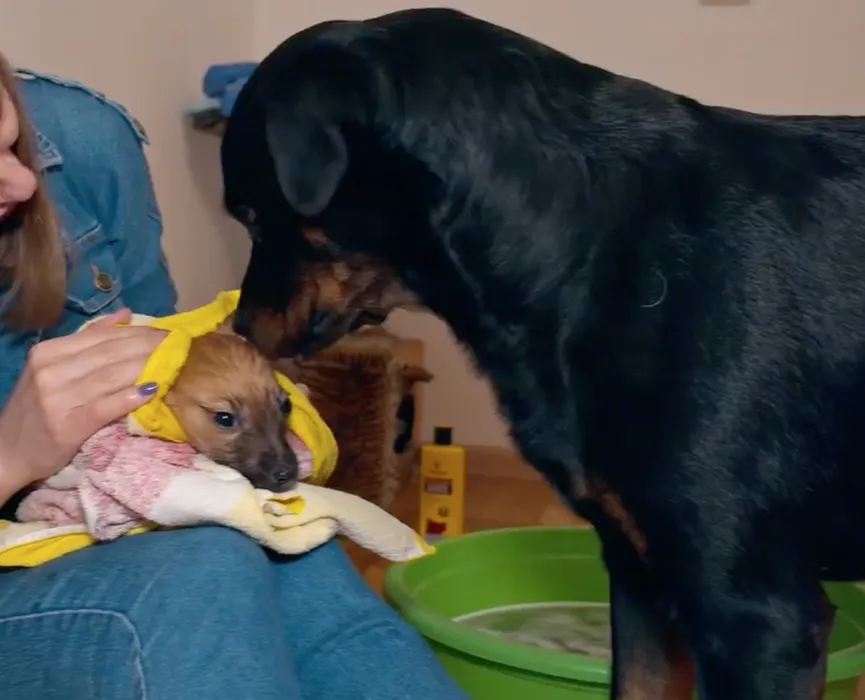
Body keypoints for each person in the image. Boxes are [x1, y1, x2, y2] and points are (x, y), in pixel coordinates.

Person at [0, 54, 467, 700]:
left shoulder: (80, 138)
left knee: (296, 550)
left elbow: (174, 368)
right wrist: (11, 456)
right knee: (203, 567)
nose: (24, 183)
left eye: (10, 140)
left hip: (107, 521)